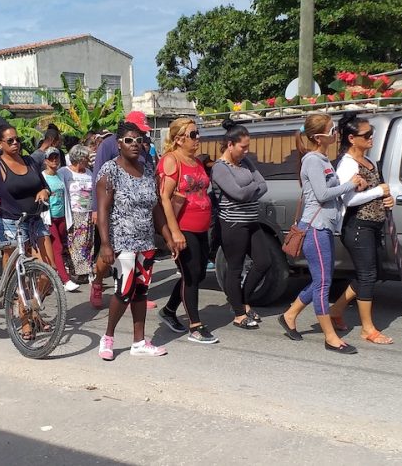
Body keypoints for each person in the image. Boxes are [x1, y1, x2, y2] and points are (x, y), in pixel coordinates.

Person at [277, 114, 366, 354]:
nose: (336, 133)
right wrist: (351, 184)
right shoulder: (312, 160)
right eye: (332, 129)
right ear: (319, 137)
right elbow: (322, 194)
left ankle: (290, 314)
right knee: (324, 283)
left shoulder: (324, 159)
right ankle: (330, 337)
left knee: (320, 279)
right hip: (314, 229)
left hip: (324, 227)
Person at [97, 121, 175, 360]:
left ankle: (139, 342)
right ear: (118, 144)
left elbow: (156, 209)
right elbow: (103, 211)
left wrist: (168, 237)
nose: (135, 145)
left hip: (146, 242)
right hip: (122, 242)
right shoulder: (110, 171)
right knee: (124, 290)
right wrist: (105, 244)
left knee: (141, 291)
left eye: (139, 140)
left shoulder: (147, 171)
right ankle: (108, 338)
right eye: (129, 140)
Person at [329, 115, 396, 345]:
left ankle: (336, 310)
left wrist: (388, 199)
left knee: (369, 273)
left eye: (371, 134)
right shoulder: (348, 164)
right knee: (367, 275)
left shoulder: (370, 161)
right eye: (366, 135)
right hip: (357, 226)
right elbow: (348, 199)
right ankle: (367, 328)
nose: (371, 138)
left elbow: (378, 191)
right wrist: (379, 192)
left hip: (373, 225)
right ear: (351, 138)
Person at [157, 117, 217, 344]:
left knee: (199, 273)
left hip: (202, 227)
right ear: (179, 139)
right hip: (184, 227)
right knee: (191, 276)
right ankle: (196, 326)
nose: (197, 138)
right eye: (193, 135)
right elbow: (164, 198)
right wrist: (175, 233)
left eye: (197, 133)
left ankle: (169, 310)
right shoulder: (171, 161)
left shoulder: (196, 161)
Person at [89, 111, 155, 309]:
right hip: (112, 210)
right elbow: (99, 176)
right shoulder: (109, 144)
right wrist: (96, 209)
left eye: (142, 134)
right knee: (108, 253)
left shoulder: (144, 145)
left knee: (138, 258)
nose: (139, 138)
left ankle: (136, 293)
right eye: (136, 133)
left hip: (138, 209)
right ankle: (98, 281)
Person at [211, 119, 270, 330]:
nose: (246, 151)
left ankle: (243, 301)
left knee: (264, 261)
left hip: (252, 221)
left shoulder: (246, 163)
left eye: (247, 147)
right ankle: (238, 313)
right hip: (233, 224)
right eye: (242, 147)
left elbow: (263, 185)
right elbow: (237, 194)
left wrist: (249, 190)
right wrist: (251, 189)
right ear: (230, 145)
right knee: (235, 269)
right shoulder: (220, 168)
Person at [0, 125, 51, 269]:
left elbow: (46, 187)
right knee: (15, 268)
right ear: (0, 144)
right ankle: (11, 290)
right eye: (10, 141)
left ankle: (32, 292)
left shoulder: (30, 161)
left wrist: (44, 192)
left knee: (48, 268)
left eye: (18, 139)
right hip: (11, 223)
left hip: (35, 219)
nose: (15, 143)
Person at [41, 146, 78, 292]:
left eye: (56, 157)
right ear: (45, 161)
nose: (55, 160)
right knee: (57, 248)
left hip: (62, 216)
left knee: (60, 248)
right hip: (49, 218)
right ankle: (65, 279)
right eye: (51, 158)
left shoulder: (61, 175)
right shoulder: (42, 177)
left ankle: (54, 277)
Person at [62, 145, 95, 284]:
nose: (88, 161)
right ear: (79, 159)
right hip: (74, 212)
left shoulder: (89, 172)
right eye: (86, 158)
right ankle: (78, 271)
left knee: (88, 242)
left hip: (88, 212)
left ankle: (86, 270)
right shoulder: (64, 172)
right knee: (76, 243)